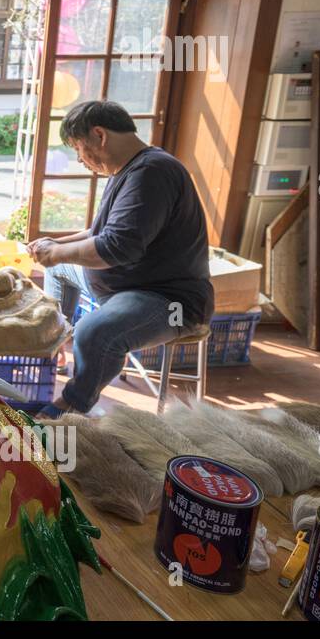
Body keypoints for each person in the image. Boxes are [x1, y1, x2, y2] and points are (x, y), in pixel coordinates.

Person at [26, 100, 212, 417]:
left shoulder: (152, 173)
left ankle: (73, 404)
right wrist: (56, 245)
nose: (79, 159)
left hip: (167, 299)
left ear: (99, 135)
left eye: (78, 147)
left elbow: (116, 248)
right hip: (124, 286)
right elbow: (98, 232)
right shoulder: (126, 170)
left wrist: (55, 253)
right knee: (60, 273)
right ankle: (59, 344)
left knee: (94, 333)